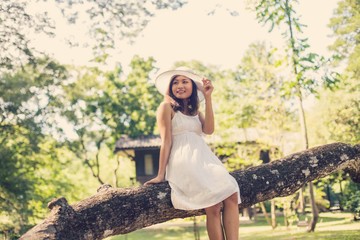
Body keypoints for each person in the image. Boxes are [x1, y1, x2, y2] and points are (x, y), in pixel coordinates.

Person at [144, 67, 241, 240]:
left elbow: (209, 130)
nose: (179, 85)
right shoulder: (166, 107)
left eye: (184, 81)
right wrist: (160, 175)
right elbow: (165, 141)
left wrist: (208, 98)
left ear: (193, 87)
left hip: (205, 159)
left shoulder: (196, 112)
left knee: (232, 193)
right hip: (184, 161)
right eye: (175, 82)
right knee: (213, 205)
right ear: (170, 88)